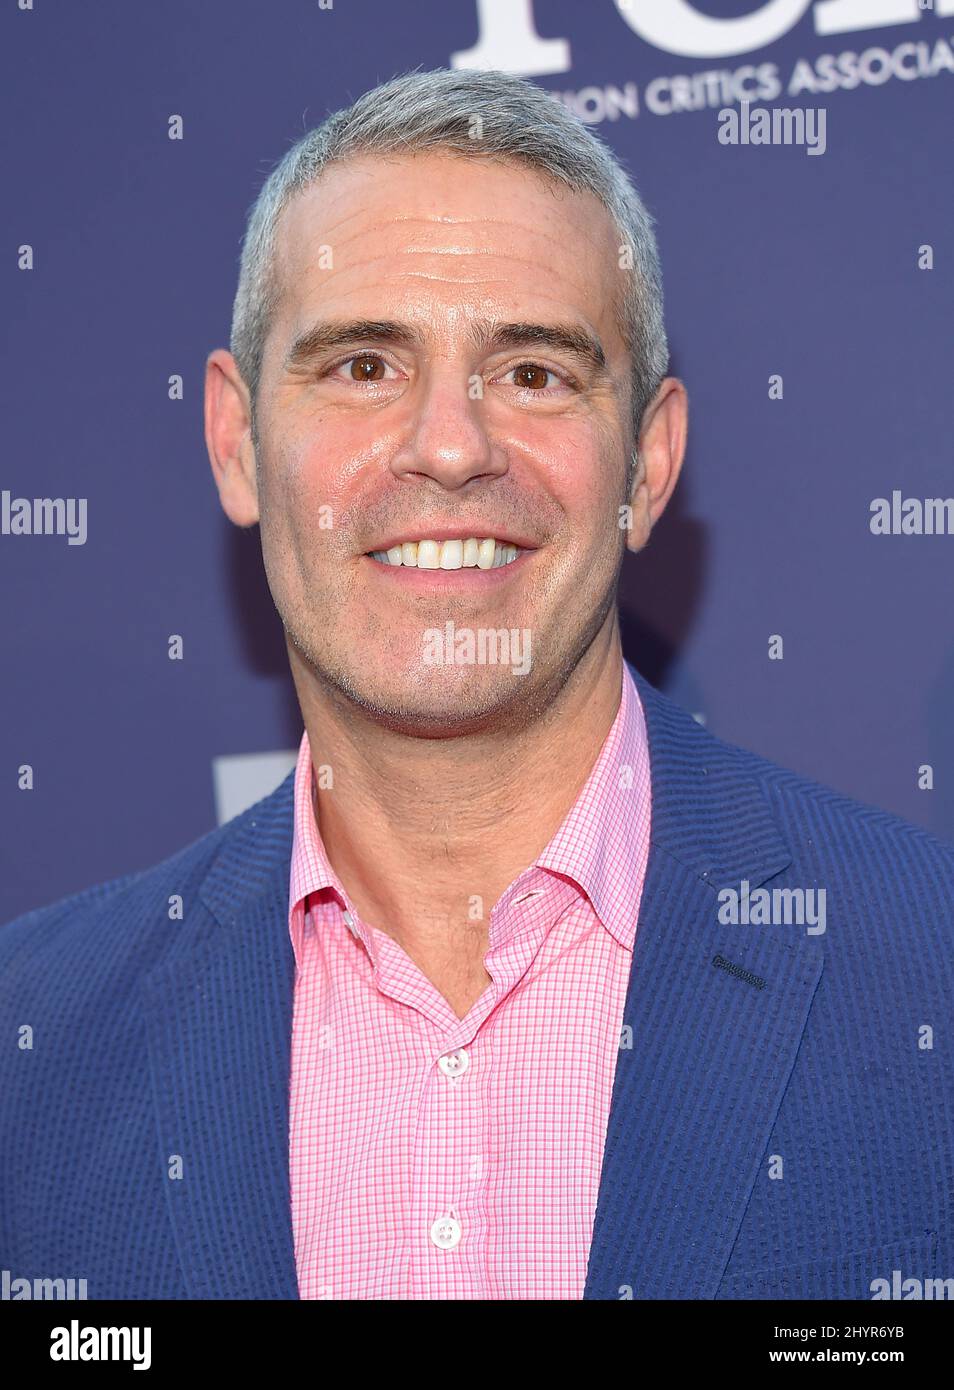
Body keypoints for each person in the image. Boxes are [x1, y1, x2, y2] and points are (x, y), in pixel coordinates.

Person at [2, 68, 951, 1302]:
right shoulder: (33, 1044)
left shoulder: (927, 966)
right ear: (235, 442)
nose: (449, 445)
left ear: (649, 465)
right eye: (359, 366)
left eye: (536, 372)